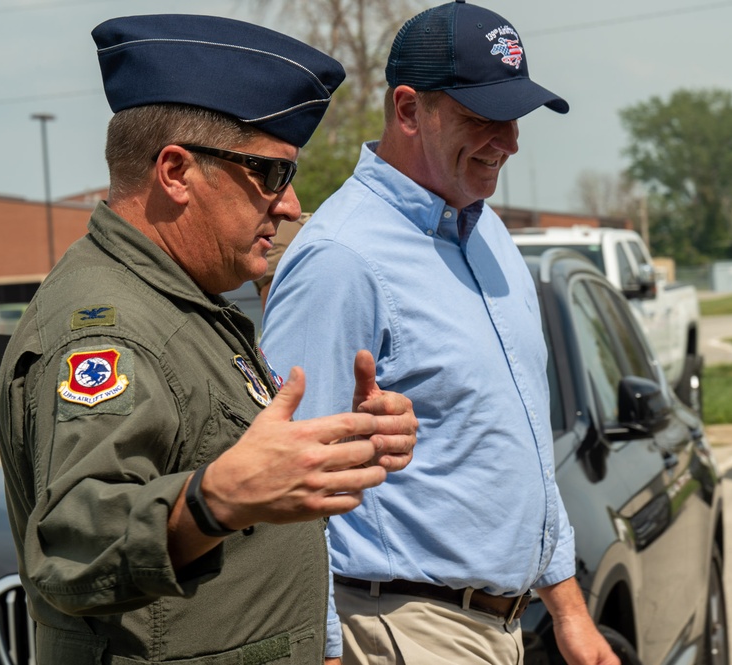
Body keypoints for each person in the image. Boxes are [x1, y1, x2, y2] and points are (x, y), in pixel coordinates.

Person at [0, 14, 417, 665]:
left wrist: (339, 443)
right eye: (270, 174)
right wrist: (215, 496)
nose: (289, 202)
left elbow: (216, 455)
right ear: (175, 171)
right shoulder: (111, 328)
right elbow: (73, 547)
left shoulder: (183, 301)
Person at [260, 2, 619, 663]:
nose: (508, 140)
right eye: (482, 117)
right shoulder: (342, 258)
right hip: (400, 629)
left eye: (514, 117)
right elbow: (289, 490)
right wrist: (326, 649)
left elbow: (518, 453)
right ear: (407, 110)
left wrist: (567, 608)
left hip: (497, 628)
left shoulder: (486, 231)